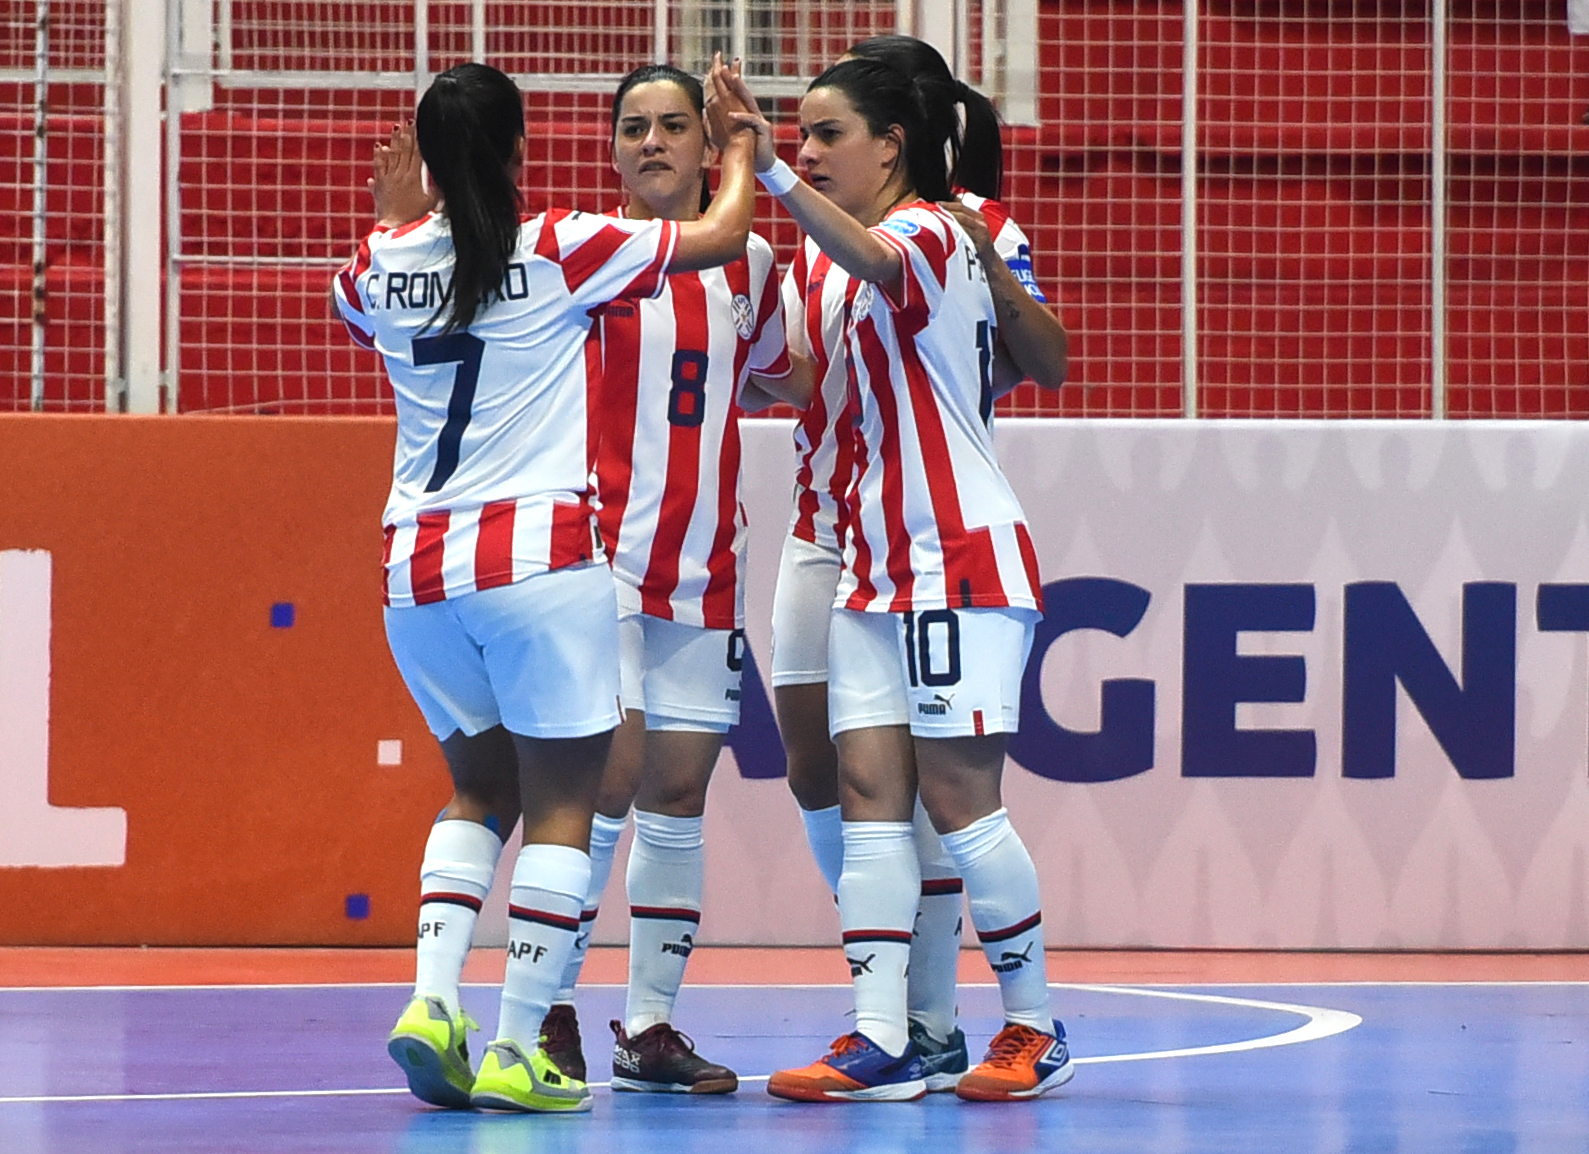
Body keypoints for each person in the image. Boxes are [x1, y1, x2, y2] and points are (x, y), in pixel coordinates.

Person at [331, 58, 757, 1114]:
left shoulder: (376, 264)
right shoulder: (562, 245)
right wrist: (740, 150)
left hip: (413, 573)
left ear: (425, 163)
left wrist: (397, 220)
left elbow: (366, 298)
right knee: (566, 805)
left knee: (478, 791)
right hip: (537, 561)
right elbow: (720, 238)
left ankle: (434, 1000)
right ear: (523, 153)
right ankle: (522, 1042)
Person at [721, 57, 1072, 1103]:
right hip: (868, 561)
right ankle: (887, 1036)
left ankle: (1033, 1024)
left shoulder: (931, 233)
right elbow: (804, 373)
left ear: (893, 145)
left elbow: (886, 264)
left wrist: (770, 175)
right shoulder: (836, 257)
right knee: (871, 798)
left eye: (828, 134)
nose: (811, 150)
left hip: (955, 552)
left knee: (962, 800)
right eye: (802, 136)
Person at [533, 62, 808, 1095]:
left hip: (704, 569)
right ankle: (544, 1006)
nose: (650, 142)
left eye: (672, 126)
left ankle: (647, 1024)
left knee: (678, 791)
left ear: (707, 146)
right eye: (633, 127)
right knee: (606, 775)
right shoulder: (591, 253)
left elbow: (787, 369)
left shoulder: (752, 267)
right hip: (593, 560)